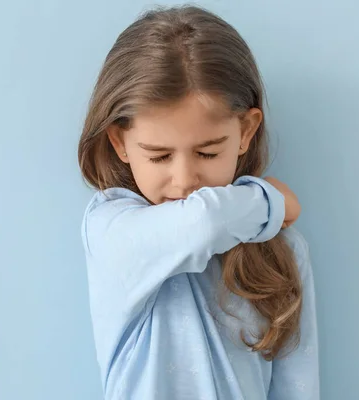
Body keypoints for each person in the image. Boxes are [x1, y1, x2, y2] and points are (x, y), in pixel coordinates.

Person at [77, 5, 319, 400]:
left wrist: (268, 210)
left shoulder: (283, 250)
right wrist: (269, 202)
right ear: (120, 143)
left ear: (246, 131)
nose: (185, 180)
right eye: (159, 156)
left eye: (207, 153)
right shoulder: (109, 229)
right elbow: (202, 224)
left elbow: (298, 386)